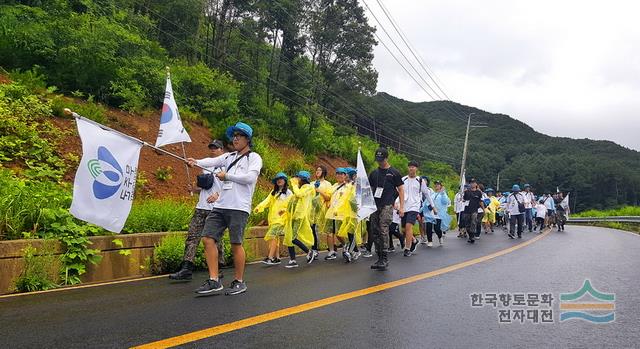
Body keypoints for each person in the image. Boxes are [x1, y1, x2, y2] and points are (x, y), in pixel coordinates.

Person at [189, 122, 262, 296]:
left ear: (247, 139)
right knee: (207, 238)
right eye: (234, 135)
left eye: (239, 135)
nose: (235, 138)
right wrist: (195, 161)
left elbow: (250, 178)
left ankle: (239, 281)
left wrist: (227, 176)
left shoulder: (254, 158)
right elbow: (212, 161)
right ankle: (214, 280)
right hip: (221, 206)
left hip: (239, 207)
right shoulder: (229, 157)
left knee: (236, 243)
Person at [170, 140, 226, 281]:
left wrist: (218, 195)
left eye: (216, 148)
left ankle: (217, 268)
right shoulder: (206, 165)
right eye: (211, 148)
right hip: (201, 207)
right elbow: (205, 187)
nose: (213, 150)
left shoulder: (227, 166)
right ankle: (187, 267)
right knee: (192, 236)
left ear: (222, 150)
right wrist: (194, 190)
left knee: (215, 239)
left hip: (217, 209)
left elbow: (232, 187)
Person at [368, 147, 404, 270]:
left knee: (383, 228)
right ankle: (379, 257)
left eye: (382, 159)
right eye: (378, 159)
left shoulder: (394, 172)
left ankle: (385, 257)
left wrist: (401, 207)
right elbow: (369, 190)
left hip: (388, 204)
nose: (380, 161)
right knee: (374, 229)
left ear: (386, 158)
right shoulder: (374, 173)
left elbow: (401, 189)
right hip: (375, 205)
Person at [254, 172, 292, 265]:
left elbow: (292, 205)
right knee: (275, 238)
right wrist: (259, 207)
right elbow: (266, 201)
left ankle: (270, 257)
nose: (279, 180)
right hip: (273, 219)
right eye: (277, 179)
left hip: (281, 219)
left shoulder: (288, 193)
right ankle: (277, 258)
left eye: (281, 179)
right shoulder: (274, 192)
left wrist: (284, 210)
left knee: (273, 235)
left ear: (285, 181)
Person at [401, 161, 435, 257]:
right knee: (403, 229)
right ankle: (414, 240)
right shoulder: (403, 179)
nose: (411, 168)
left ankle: (407, 248)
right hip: (404, 206)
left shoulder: (420, 181)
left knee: (408, 226)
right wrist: (397, 204)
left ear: (416, 169)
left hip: (414, 206)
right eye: (410, 167)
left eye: (413, 167)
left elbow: (426, 194)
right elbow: (399, 192)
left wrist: (433, 206)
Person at [284, 171, 316, 268]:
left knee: (292, 238)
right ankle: (292, 260)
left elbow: (299, 194)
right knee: (289, 237)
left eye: (297, 178)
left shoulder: (308, 187)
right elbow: (293, 200)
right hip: (293, 216)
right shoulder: (302, 187)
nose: (296, 180)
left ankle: (309, 252)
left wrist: (294, 185)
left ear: (302, 179)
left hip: (299, 216)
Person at [319, 168, 350, 260]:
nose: (339, 175)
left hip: (340, 213)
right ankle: (332, 251)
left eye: (341, 174)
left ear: (345, 175)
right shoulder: (333, 186)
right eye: (338, 174)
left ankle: (346, 245)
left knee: (338, 233)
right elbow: (328, 197)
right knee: (329, 232)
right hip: (331, 212)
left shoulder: (348, 186)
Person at [310, 166, 332, 260]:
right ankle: (314, 249)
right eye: (317, 170)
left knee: (322, 230)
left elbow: (328, 197)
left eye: (319, 170)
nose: (317, 171)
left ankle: (330, 249)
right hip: (311, 210)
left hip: (322, 210)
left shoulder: (327, 184)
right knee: (312, 229)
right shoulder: (311, 183)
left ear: (324, 171)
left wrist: (319, 191)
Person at [423, 180, 451, 247]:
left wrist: (443, 193)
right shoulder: (432, 194)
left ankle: (440, 237)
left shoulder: (443, 194)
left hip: (438, 214)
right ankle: (430, 241)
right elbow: (427, 202)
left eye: (438, 184)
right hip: (430, 214)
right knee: (428, 227)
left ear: (441, 186)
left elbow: (445, 202)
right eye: (435, 184)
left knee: (437, 228)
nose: (436, 185)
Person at [462, 179, 484, 243]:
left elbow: (481, 201)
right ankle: (471, 236)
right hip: (467, 210)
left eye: (473, 183)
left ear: (476, 184)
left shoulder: (479, 192)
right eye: (471, 183)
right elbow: (464, 200)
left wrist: (483, 209)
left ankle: (472, 235)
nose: (472, 184)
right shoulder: (466, 192)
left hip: (474, 210)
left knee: (474, 222)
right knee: (467, 224)